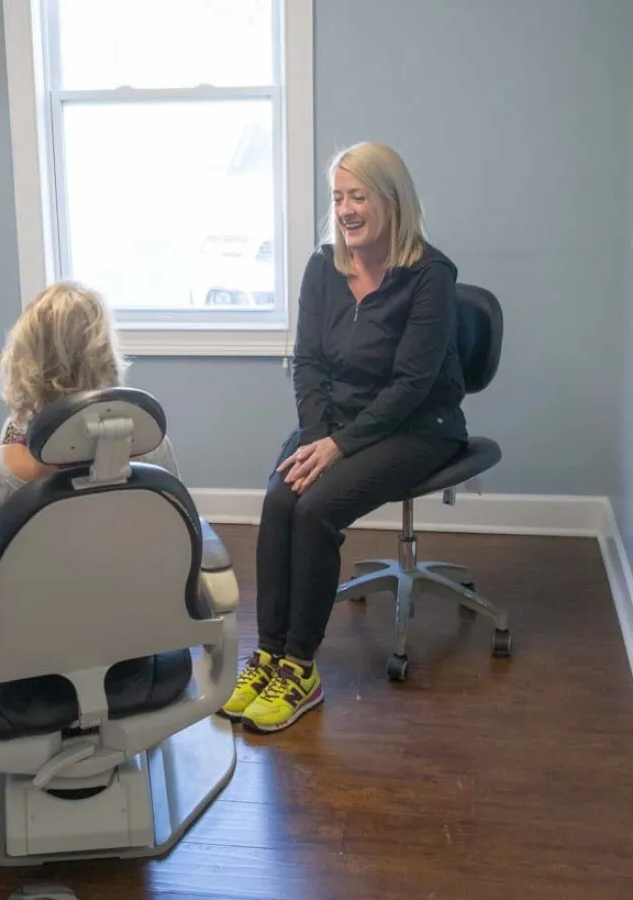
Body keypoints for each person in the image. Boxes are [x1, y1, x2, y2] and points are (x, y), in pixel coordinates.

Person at [221, 142, 468, 733]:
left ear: (391, 200)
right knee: (281, 498)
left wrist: (339, 448)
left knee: (317, 509)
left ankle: (301, 668)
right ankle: (269, 655)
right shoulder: (323, 266)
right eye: (338, 198)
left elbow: (411, 386)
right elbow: (306, 362)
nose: (347, 210)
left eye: (359, 196)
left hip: (418, 425)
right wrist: (317, 437)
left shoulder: (431, 276)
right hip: (334, 423)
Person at [0, 281, 179, 605]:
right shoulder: (155, 452)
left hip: (24, 639)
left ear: (26, 363)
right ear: (107, 357)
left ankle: (15, 445)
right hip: (129, 630)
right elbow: (173, 551)